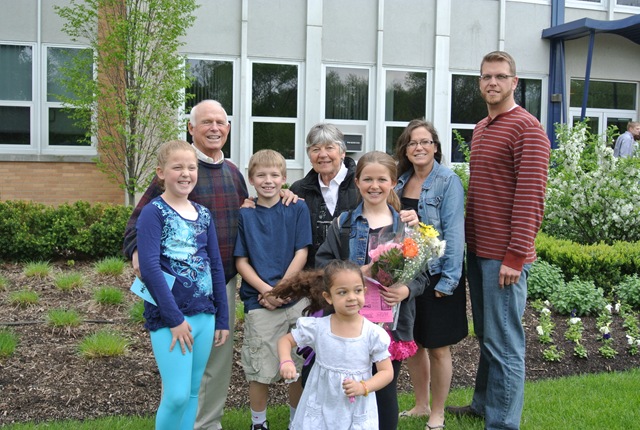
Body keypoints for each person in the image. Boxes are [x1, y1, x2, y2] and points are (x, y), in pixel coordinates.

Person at [123, 100, 249, 430]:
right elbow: (138, 224)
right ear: (191, 128)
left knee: (216, 364)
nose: (214, 128)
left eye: (220, 122)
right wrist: (139, 255)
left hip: (219, 283)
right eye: (206, 122)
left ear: (228, 128)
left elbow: (250, 214)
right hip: (174, 293)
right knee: (180, 384)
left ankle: (207, 424)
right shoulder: (176, 170)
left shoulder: (233, 173)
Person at [446, 51, 550, 430]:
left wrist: (516, 255)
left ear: (514, 82)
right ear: (479, 82)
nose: (493, 82)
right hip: (478, 250)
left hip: (503, 257)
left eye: (501, 76)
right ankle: (483, 405)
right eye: (486, 76)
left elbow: (531, 197)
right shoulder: (481, 128)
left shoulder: (527, 129)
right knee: (489, 335)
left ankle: (503, 423)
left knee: (505, 343)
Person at [315, 151, 425, 430]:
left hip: (390, 326)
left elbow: (422, 274)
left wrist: (406, 290)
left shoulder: (407, 227)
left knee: (384, 391)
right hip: (350, 324)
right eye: (367, 179)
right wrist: (354, 274)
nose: (374, 186)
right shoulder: (344, 224)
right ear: (357, 182)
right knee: (346, 389)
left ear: (393, 183)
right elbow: (323, 265)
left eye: (382, 180)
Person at [136, 140, 229, 430]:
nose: (186, 173)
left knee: (191, 393)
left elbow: (215, 265)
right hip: (171, 319)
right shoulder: (153, 212)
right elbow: (150, 268)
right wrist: (174, 319)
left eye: (191, 167)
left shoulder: (203, 214)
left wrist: (222, 318)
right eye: (177, 167)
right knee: (176, 396)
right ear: (161, 172)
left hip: (205, 316)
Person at [394, 119, 467, 430]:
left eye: (425, 141)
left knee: (438, 347)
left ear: (435, 147)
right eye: (412, 142)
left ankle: (438, 413)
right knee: (414, 344)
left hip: (438, 275)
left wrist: (448, 281)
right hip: (409, 276)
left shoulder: (448, 181)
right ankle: (421, 405)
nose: (419, 147)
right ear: (405, 149)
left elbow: (455, 233)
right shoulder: (400, 181)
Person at [234, 149, 312, 430]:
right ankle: (259, 424)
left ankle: (296, 422)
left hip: (295, 298)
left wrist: (280, 290)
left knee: (298, 365)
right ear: (251, 179)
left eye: (274, 175)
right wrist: (267, 291)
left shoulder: (297, 208)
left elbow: (302, 252)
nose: (268, 180)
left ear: (284, 178)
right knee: (260, 368)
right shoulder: (245, 214)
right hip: (259, 302)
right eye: (261, 175)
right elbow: (241, 261)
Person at [277, 260, 394, 430]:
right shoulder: (319, 327)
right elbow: (285, 341)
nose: (351, 297)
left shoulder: (373, 334)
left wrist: (364, 387)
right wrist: (286, 361)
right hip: (321, 401)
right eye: (342, 292)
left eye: (357, 290)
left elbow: (386, 372)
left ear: (365, 291)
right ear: (328, 297)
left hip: (355, 405)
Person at [289, 123, 359, 268]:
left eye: (329, 147)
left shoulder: (361, 185)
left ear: (342, 152)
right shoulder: (298, 190)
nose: (322, 154)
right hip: (311, 276)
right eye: (315, 149)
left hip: (354, 275)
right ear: (309, 156)